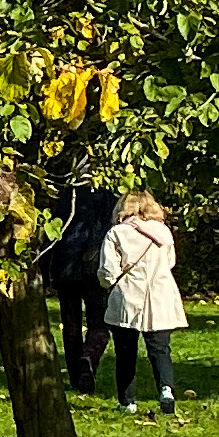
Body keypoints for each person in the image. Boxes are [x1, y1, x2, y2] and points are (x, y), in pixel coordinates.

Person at [97, 190, 186, 413]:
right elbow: (170, 262)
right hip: (160, 295)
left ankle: (127, 402)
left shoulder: (117, 233)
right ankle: (166, 390)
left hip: (128, 296)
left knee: (125, 351)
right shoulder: (164, 233)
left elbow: (107, 270)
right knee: (160, 349)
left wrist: (109, 285)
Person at [40, 161, 117, 393]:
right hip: (94, 265)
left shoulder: (66, 198)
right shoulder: (108, 198)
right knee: (100, 322)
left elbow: (51, 234)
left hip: (66, 266)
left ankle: (76, 374)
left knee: (71, 322)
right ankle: (90, 358)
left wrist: (45, 273)